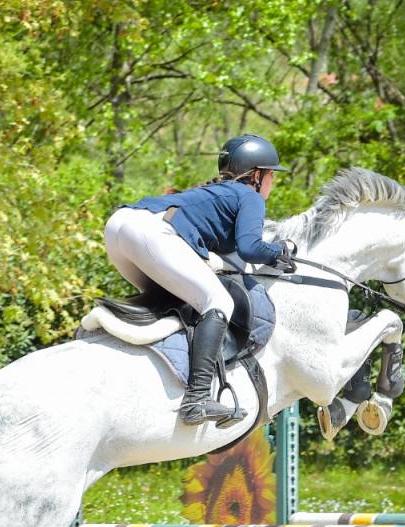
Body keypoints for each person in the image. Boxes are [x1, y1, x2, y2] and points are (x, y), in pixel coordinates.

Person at [104, 134, 298, 426]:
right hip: (149, 233)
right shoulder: (249, 196)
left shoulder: (216, 194)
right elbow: (250, 248)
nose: (272, 182)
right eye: (271, 175)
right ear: (257, 175)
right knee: (217, 301)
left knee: (174, 301)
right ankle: (196, 398)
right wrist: (280, 251)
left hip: (119, 226)